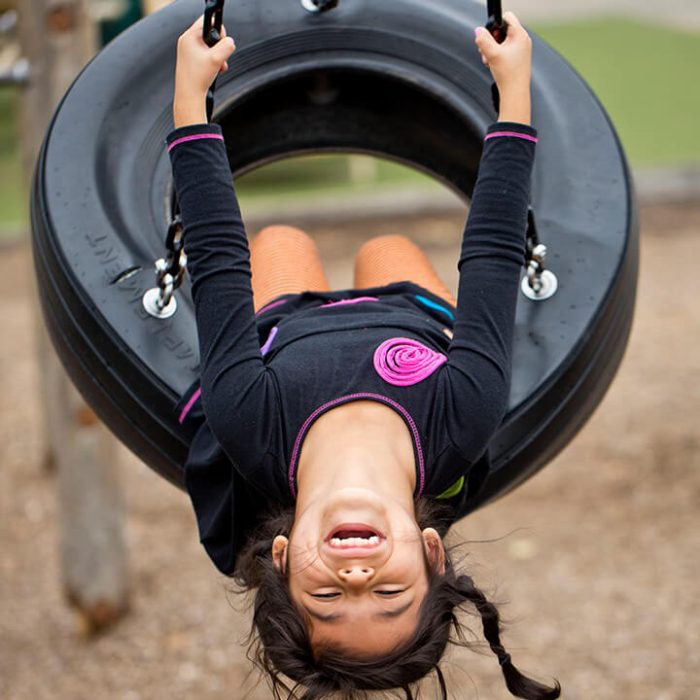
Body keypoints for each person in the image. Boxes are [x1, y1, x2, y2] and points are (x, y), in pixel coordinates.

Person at [167, 9, 561, 700]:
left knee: (281, 236)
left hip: (283, 338)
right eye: (390, 592)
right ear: (431, 552)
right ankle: (381, 271)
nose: (357, 581)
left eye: (327, 599)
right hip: (409, 321)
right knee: (387, 244)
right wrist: (513, 88)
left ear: (282, 559)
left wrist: (191, 98)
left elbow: (218, 260)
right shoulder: (461, 420)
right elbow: (495, 252)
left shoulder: (250, 423)